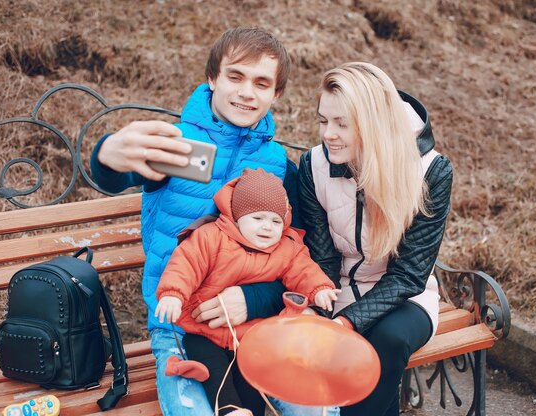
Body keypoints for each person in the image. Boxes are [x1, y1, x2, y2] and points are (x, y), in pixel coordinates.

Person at [91, 28, 336, 416]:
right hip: (181, 325)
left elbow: (294, 254)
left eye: (261, 83)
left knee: (314, 407)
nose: (246, 92)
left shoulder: (279, 168)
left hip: (259, 323)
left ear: (276, 95)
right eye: (235, 77)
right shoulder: (178, 145)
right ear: (212, 79)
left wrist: (254, 300)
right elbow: (117, 174)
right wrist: (107, 154)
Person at [297, 62, 453, 415]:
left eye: (342, 123)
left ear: (373, 123)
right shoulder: (313, 167)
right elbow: (323, 259)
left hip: (405, 297)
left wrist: (347, 323)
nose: (327, 134)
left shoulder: (430, 171)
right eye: (323, 121)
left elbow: (410, 274)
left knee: (385, 340)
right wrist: (319, 312)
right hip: (337, 290)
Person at [155, 168, 339, 415]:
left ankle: (248, 409)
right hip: (205, 331)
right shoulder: (210, 238)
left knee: (250, 378)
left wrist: (319, 289)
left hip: (252, 334)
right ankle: (229, 409)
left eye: (276, 221)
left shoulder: (286, 248)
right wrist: (172, 294)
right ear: (237, 216)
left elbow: (304, 270)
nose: (267, 227)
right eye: (258, 218)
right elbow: (185, 265)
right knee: (209, 363)